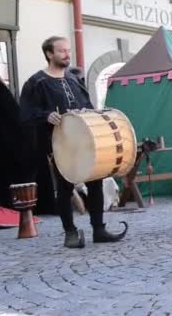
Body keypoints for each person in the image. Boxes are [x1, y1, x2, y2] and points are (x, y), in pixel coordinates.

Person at [20, 36, 128, 248]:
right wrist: (46, 116)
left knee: (96, 182)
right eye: (62, 51)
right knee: (65, 187)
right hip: (59, 146)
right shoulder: (36, 83)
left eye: (68, 50)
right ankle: (70, 233)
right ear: (49, 54)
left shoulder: (73, 80)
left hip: (86, 143)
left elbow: (87, 107)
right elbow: (25, 115)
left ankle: (99, 229)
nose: (67, 54)